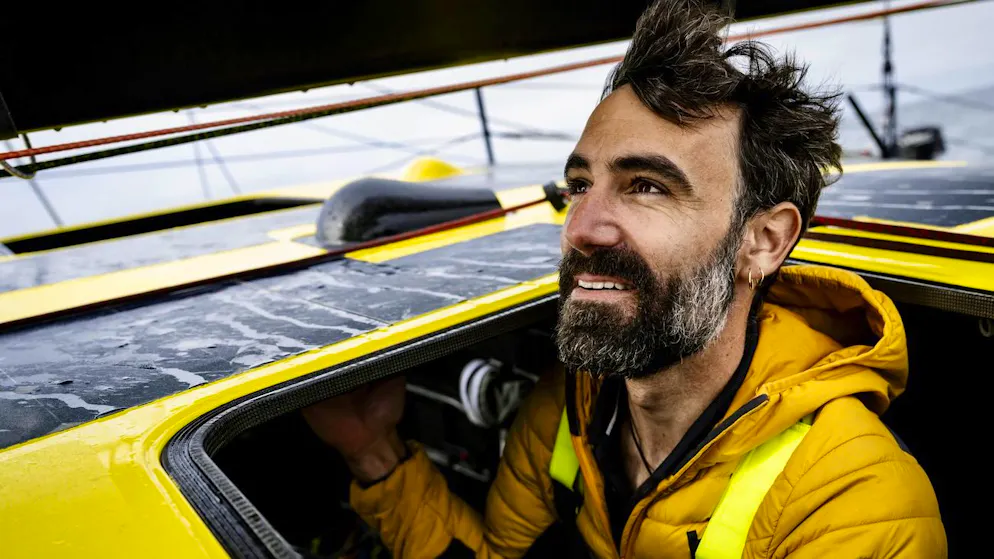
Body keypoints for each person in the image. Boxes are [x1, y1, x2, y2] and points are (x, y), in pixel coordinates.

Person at [302, 1, 946, 556]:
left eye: (647, 186)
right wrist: (373, 452)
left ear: (764, 241)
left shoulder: (851, 501)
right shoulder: (568, 409)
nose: (582, 228)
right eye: (581, 184)